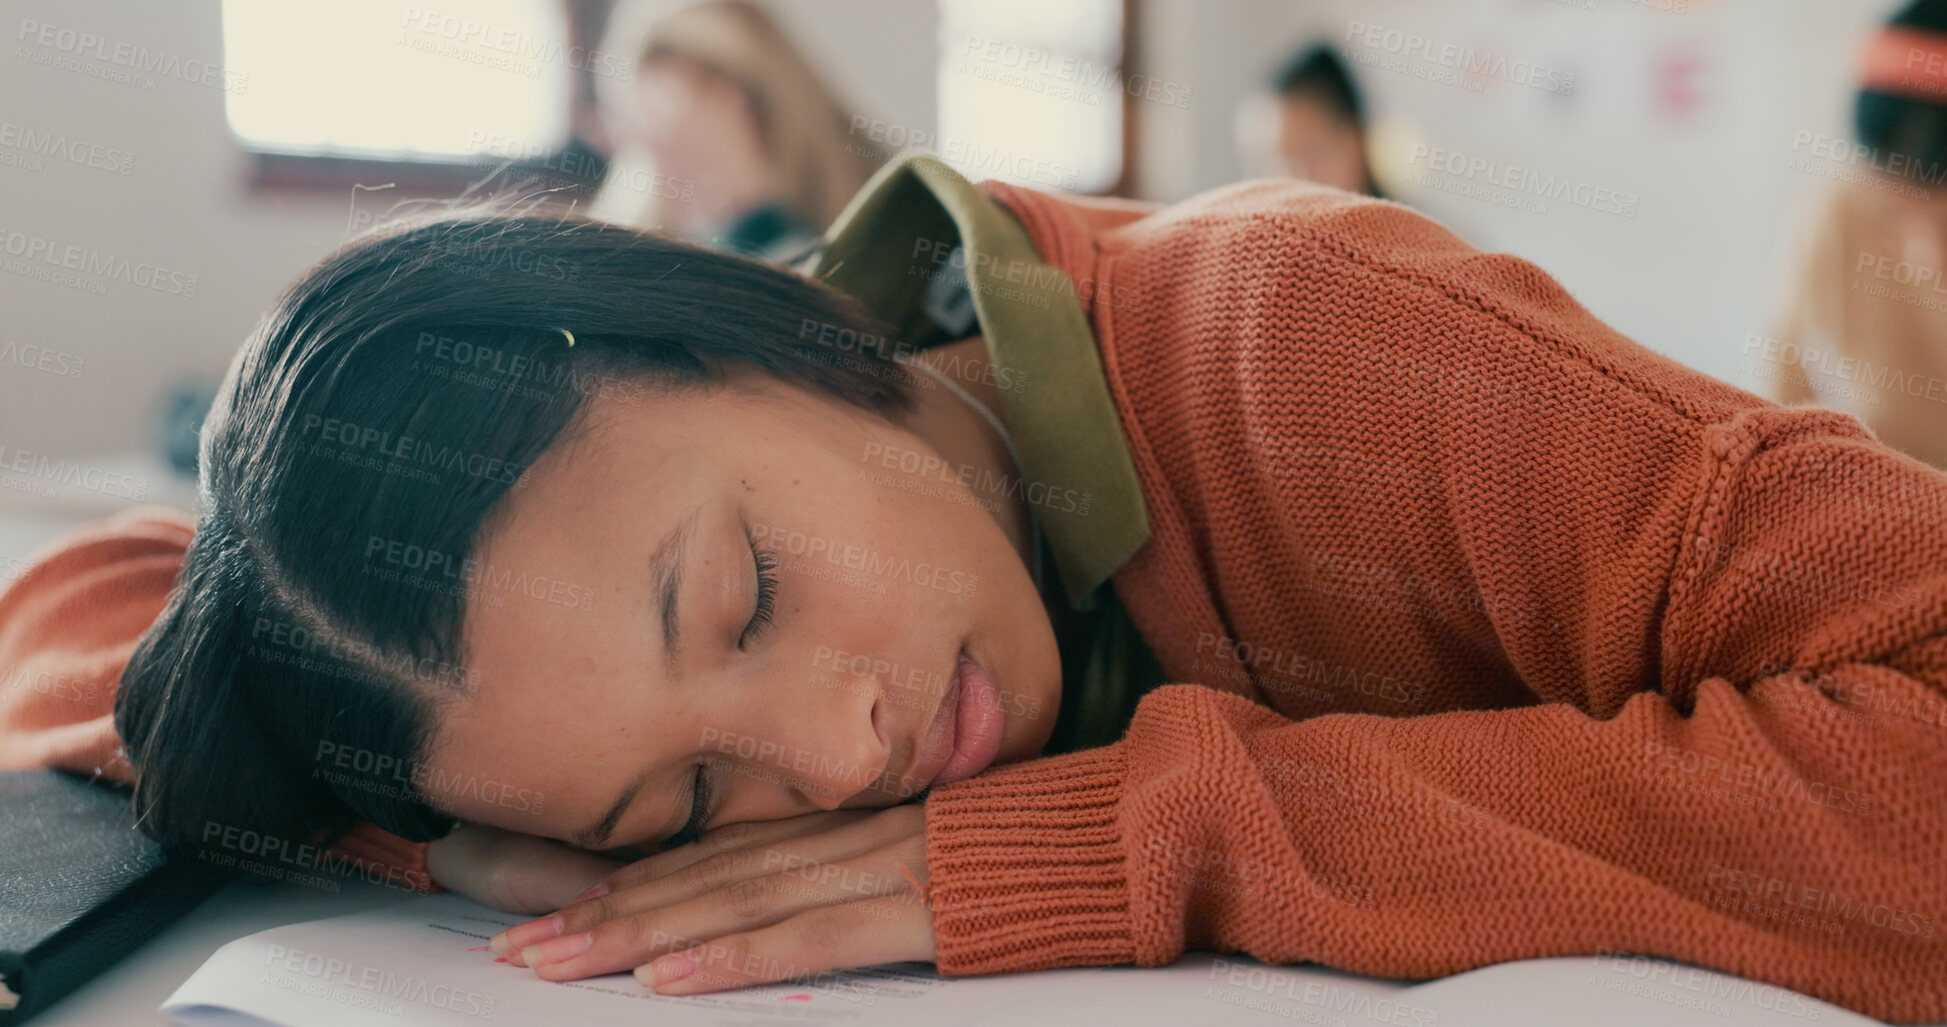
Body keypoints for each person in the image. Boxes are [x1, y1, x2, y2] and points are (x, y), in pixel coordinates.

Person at [3, 152, 1945, 1022]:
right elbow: (92, 609)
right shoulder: (539, 652)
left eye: (746, 596)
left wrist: (1158, 831)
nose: (835, 756)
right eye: (687, 800)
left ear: (773, 327)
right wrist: (476, 846)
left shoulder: (1307, 340)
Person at [1765, 0, 1947, 469]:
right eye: (1891, 211)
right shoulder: (1837, 210)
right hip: (1884, 501)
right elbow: (1783, 382)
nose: (1922, 256)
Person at [583, 0, 880, 260]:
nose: (666, 167)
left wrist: (751, 213)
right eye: (645, 132)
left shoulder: (892, 210)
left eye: (680, 137)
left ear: (745, 102)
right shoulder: (637, 233)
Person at [1236, 44, 1383, 197]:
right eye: (1265, 167)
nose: (1287, 182)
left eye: (1307, 155)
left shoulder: (1402, 220)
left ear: (1356, 141)